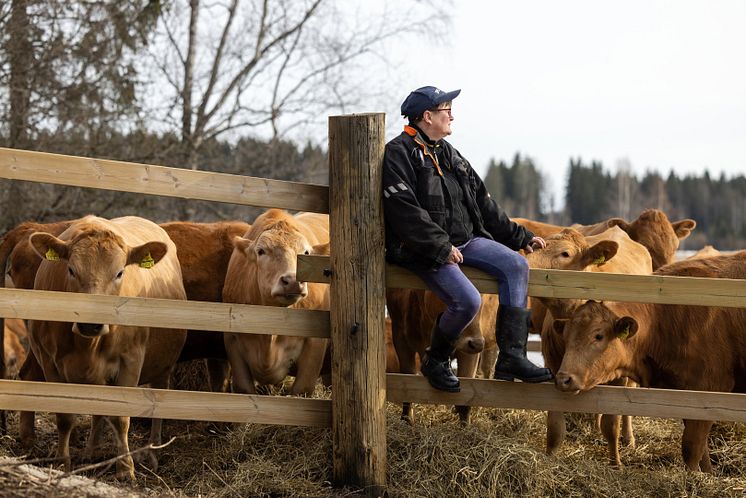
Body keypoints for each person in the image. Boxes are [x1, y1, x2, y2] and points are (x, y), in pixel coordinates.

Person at [382, 85, 553, 392]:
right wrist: (441, 247)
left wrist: (519, 236)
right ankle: (436, 359)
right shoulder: (399, 155)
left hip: (466, 241)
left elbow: (483, 202)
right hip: (423, 249)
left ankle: (512, 356)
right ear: (427, 116)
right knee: (468, 300)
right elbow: (405, 212)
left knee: (516, 265)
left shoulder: (448, 153)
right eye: (446, 110)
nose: (452, 117)